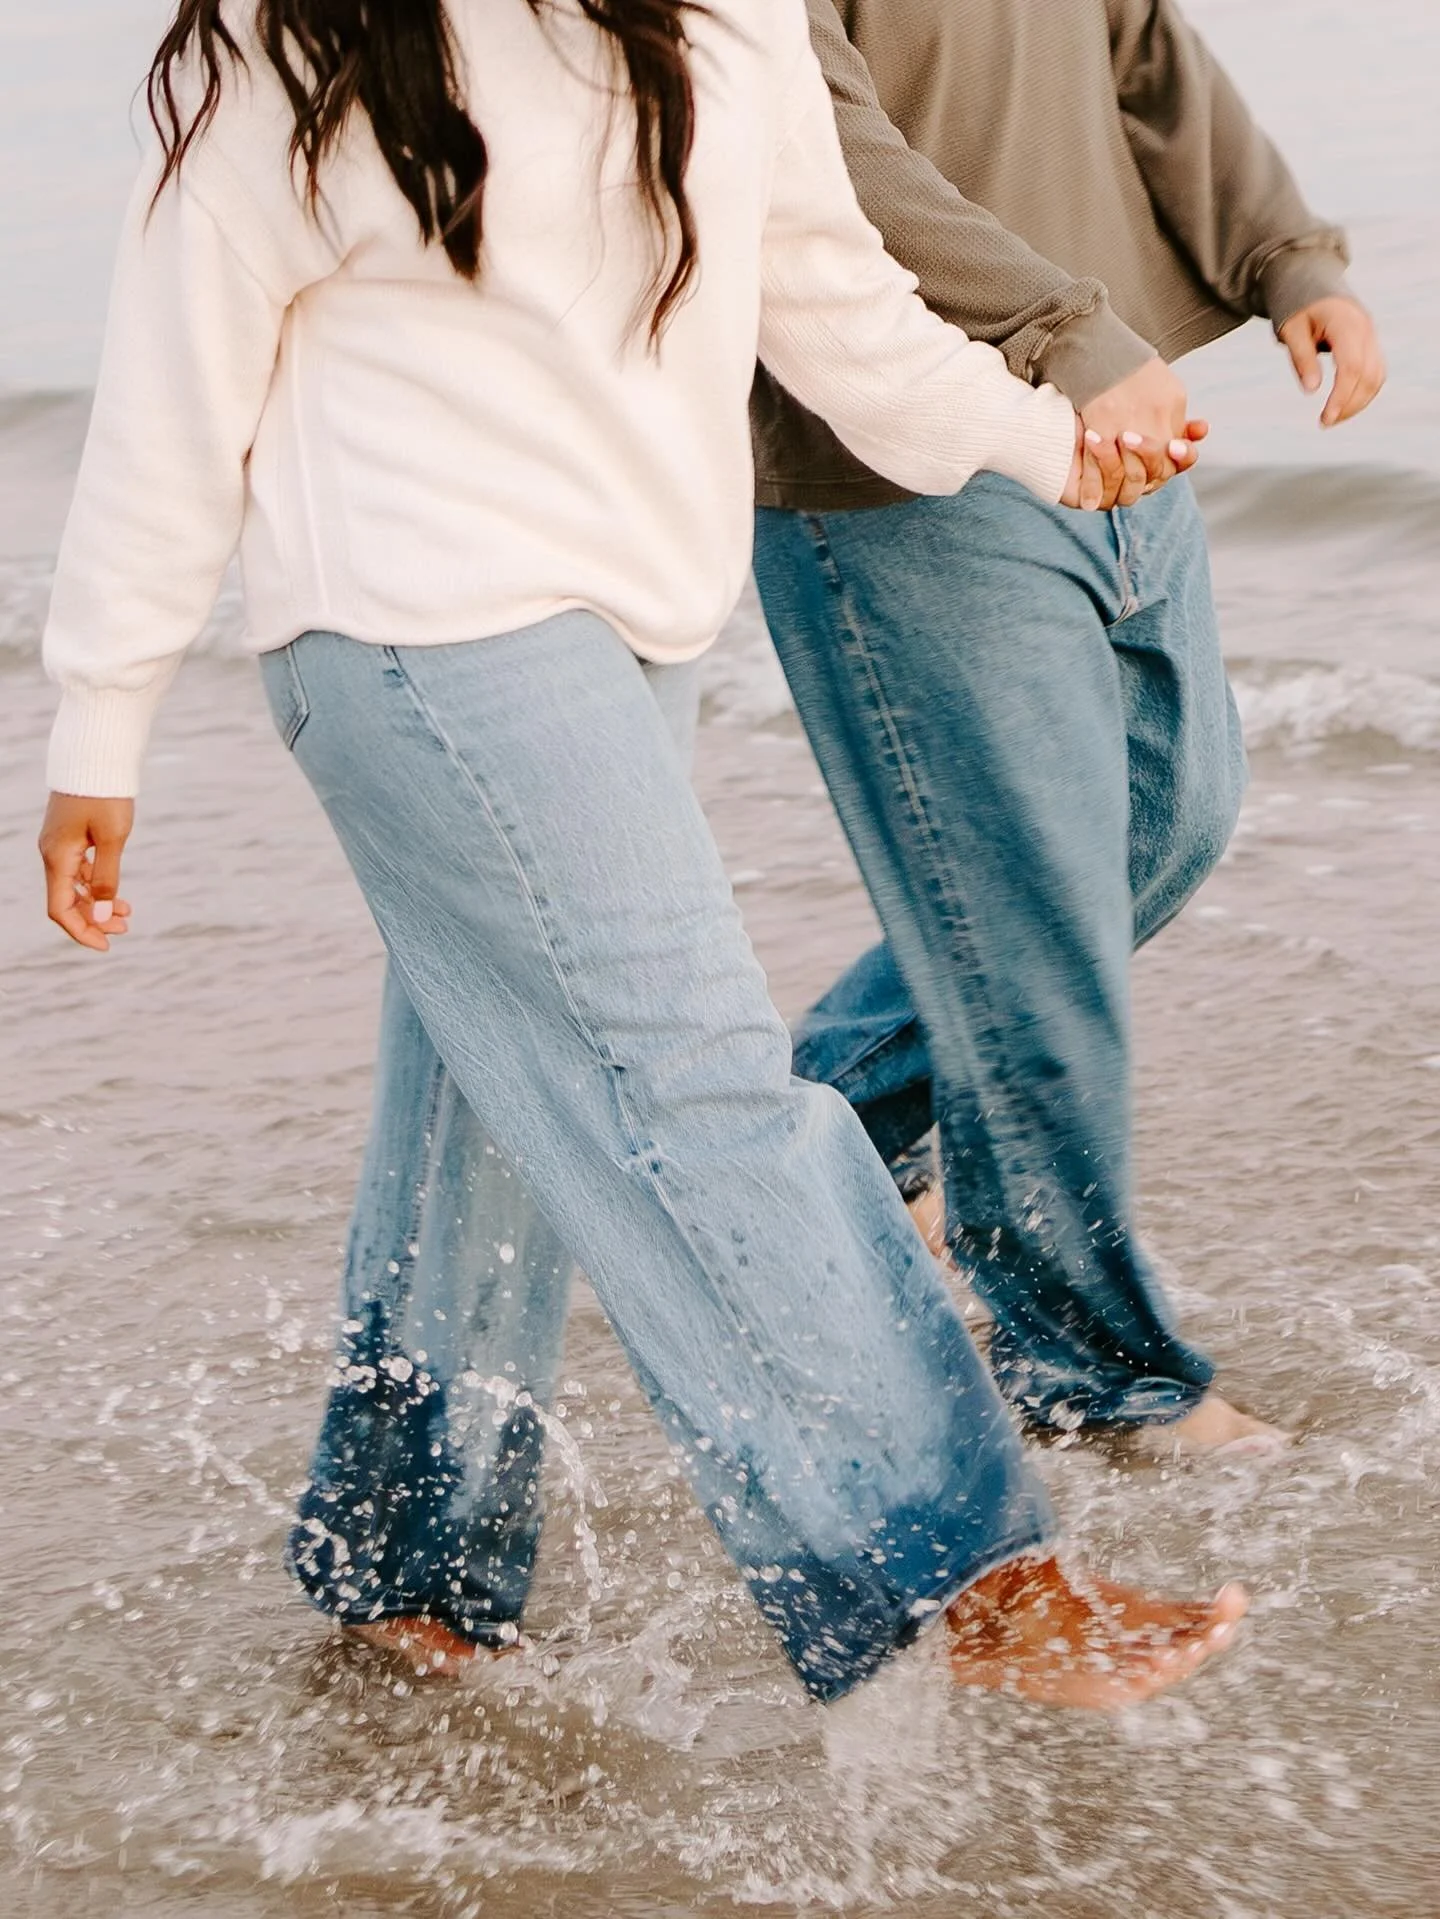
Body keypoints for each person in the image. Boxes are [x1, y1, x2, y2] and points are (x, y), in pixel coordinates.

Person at [37, 0, 1245, 1705]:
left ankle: (409, 1565)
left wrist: (1055, 442)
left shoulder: (729, 24)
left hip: (624, 630)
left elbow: (844, 324)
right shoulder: (289, 47)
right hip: (413, 632)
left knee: (492, 1109)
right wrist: (102, 716)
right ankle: (968, 1571)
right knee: (697, 1081)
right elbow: (179, 396)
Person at [751, 0, 1386, 1451]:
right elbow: (806, 136)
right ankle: (1095, 1372)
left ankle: (810, 1145)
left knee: (1170, 820)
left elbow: (1141, 44)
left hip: (1116, 413)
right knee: (1030, 928)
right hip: (910, 454)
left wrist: (1283, 253)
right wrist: (1056, 325)